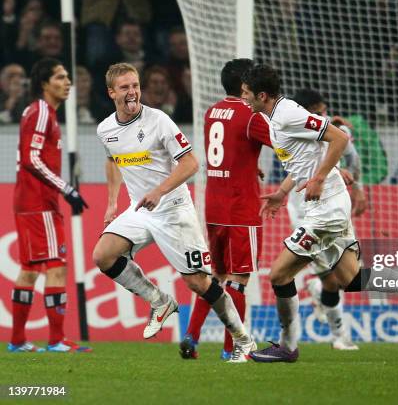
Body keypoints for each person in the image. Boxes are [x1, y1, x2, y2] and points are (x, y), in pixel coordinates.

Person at [241, 64, 398, 362]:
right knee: (351, 278)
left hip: (326, 209)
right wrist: (282, 192)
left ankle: (288, 347)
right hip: (324, 205)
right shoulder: (277, 116)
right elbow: (306, 157)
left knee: (279, 274)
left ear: (262, 95)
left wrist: (319, 178)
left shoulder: (287, 114)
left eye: (247, 94)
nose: (244, 99)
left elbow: (339, 140)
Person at [92, 62, 256, 362]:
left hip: (173, 210)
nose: (133, 92)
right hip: (139, 209)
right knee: (103, 255)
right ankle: (159, 301)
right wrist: (112, 202)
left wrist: (159, 191)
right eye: (125, 87)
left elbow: (191, 164)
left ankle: (243, 339)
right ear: (111, 92)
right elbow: (112, 160)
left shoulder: (159, 121)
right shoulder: (106, 129)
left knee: (199, 283)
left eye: (135, 85)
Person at [179, 58, 271, 360]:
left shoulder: (212, 111)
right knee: (239, 281)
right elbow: (283, 143)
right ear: (246, 85)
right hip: (241, 207)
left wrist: (250, 165)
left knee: (216, 278)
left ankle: (191, 336)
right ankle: (233, 349)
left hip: (214, 206)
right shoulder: (251, 115)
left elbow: (229, 149)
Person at [9, 57, 90, 353]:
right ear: (44, 83)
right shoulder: (41, 111)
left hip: (31, 201)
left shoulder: (41, 112)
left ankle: (18, 340)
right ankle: (55, 340)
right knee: (57, 266)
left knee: (30, 268)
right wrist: (66, 188)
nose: (67, 82)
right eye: (59, 77)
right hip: (38, 202)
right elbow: (31, 159)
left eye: (67, 77)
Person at [289, 87, 366, 350]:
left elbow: (353, 157)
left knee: (350, 277)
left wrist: (358, 187)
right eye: (319, 111)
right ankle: (340, 336)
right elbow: (297, 171)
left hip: (333, 208)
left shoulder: (330, 129)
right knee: (333, 279)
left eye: (324, 110)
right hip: (306, 212)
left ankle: (319, 295)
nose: (325, 114)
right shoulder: (294, 132)